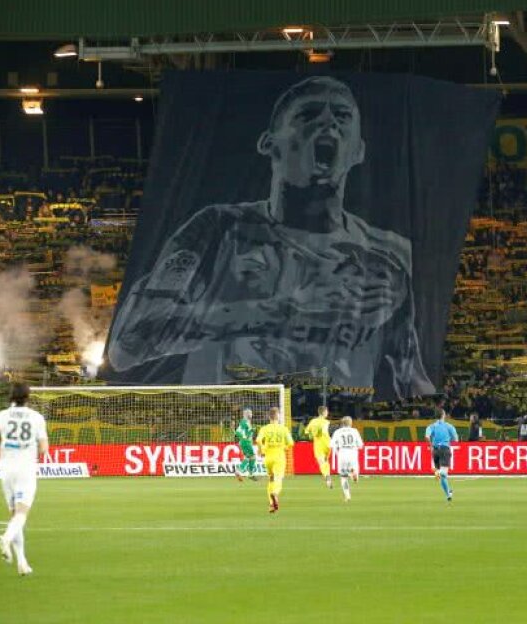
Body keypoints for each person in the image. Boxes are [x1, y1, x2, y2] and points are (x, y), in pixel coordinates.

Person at [107, 76, 434, 399]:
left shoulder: (388, 255)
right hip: (231, 420)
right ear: (268, 143)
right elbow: (127, 347)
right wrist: (284, 308)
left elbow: (413, 377)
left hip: (332, 421)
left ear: (358, 150)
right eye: (308, 115)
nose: (328, 124)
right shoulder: (217, 229)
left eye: (342, 116)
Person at [0, 383, 48, 576]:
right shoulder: (36, 417)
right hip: (25, 468)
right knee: (22, 514)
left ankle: (22, 563)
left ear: (10, 396)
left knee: (15, 515)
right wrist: (39, 454)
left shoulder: (1, 415)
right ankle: (6, 538)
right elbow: (43, 447)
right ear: (28, 397)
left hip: (6, 469)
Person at [255, 407, 293, 514]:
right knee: (278, 479)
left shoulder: (264, 428)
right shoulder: (283, 429)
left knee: (271, 479)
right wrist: (283, 447)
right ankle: (275, 494)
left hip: (268, 458)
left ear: (269, 417)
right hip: (279, 457)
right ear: (278, 416)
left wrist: (260, 450)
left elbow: (258, 440)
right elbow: (291, 443)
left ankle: (272, 504)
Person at [425, 409, 458, 502]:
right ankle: (438, 473)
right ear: (443, 415)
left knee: (442, 477)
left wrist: (430, 445)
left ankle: (448, 494)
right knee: (444, 473)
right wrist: (449, 439)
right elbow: (456, 439)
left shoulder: (431, 426)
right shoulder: (449, 426)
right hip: (444, 449)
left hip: (435, 450)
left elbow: (427, 436)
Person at [330, 416, 365, 502]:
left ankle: (347, 496)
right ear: (350, 423)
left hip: (342, 454)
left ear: (342, 423)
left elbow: (332, 445)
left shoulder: (337, 432)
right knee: (355, 471)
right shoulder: (354, 431)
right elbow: (360, 445)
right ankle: (353, 473)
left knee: (343, 477)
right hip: (352, 453)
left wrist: (338, 449)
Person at [303, 406, 333, 489]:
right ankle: (328, 476)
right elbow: (328, 432)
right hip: (328, 444)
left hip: (318, 445)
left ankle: (327, 476)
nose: (327, 413)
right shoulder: (327, 422)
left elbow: (306, 432)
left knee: (322, 462)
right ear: (324, 412)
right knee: (326, 461)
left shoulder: (313, 421)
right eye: (327, 411)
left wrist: (311, 435)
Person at [234, 408, 258, 482]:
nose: (251, 414)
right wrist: (244, 437)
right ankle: (240, 470)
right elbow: (237, 432)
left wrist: (251, 430)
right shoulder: (244, 422)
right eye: (250, 413)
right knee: (252, 456)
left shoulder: (247, 422)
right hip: (246, 442)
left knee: (249, 457)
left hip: (245, 442)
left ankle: (249, 474)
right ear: (247, 414)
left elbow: (245, 431)